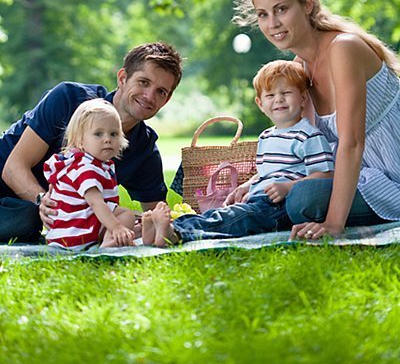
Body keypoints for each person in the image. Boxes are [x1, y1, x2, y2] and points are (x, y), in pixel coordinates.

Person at [232, 0, 400, 241]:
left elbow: (352, 142)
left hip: (390, 177)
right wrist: (256, 183)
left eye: (281, 9)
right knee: (284, 195)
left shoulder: (343, 48)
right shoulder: (300, 67)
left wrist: (334, 223)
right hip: (355, 174)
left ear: (307, 4)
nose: (272, 23)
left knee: (303, 200)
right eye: (263, 14)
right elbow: (306, 144)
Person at [0, 42, 182, 243]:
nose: (149, 96)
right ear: (122, 78)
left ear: (167, 100)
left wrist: (147, 223)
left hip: (32, 212)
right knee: (27, 219)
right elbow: (12, 168)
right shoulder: (69, 98)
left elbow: (158, 214)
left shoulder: (144, 149)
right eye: (143, 82)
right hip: (10, 188)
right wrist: (42, 201)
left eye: (161, 91)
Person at [141, 60, 334, 247]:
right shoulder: (267, 136)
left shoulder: (308, 135)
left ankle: (176, 233)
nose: (278, 99)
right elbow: (266, 172)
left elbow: (325, 175)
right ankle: (166, 229)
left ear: (302, 98)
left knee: (234, 220)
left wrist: (289, 187)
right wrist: (246, 186)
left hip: (280, 205)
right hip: (258, 199)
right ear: (260, 104)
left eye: (286, 93)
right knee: (221, 215)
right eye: (270, 95)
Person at [44, 99, 136, 250]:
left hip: (70, 230)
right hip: (75, 234)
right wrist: (117, 227)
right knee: (126, 216)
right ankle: (108, 245)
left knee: (126, 218)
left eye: (113, 134)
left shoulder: (94, 164)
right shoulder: (86, 168)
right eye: (98, 134)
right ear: (80, 141)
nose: (107, 139)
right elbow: (96, 203)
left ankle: (114, 238)